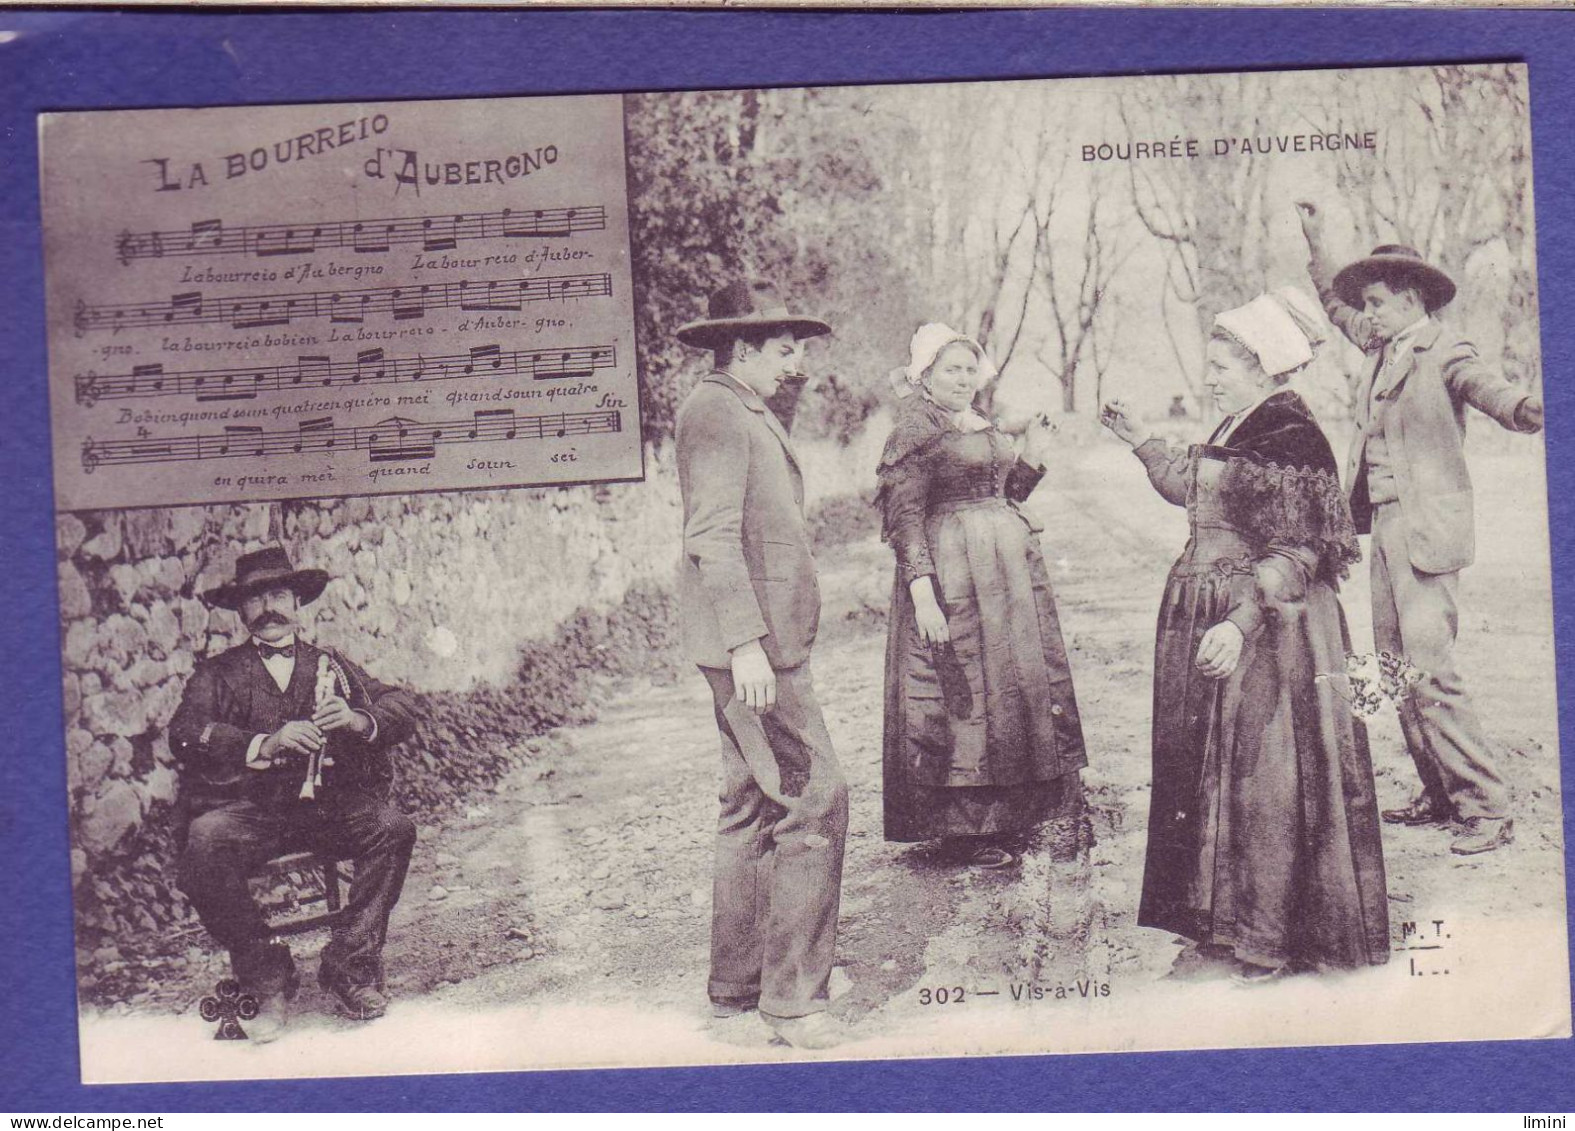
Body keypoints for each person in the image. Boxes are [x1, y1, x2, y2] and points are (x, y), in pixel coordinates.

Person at [1101, 287, 1389, 980]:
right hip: (1223, 615)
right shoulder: (1238, 420)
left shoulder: (1289, 432)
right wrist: (1138, 436)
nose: (1208, 373)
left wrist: (1237, 619)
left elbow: (1299, 552)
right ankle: (1223, 925)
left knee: (1265, 782)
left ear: (1260, 365)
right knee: (1212, 776)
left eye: (1221, 362)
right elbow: (1198, 493)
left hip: (1270, 628)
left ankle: (1270, 938)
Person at [1296, 201, 1545, 855]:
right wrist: (1317, 237)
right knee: (1392, 669)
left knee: (1429, 668)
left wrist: (1524, 408)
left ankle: (1486, 807)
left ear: (1408, 300)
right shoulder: (1380, 347)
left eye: (1374, 302)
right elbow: (1332, 302)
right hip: (1382, 529)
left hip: (1425, 533)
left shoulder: (1442, 348)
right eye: (1364, 305)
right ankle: (1439, 793)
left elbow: (1486, 387)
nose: (1365, 314)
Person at [673, 279, 849, 1050]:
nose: (795, 365)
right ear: (740, 347)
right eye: (784, 350)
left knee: (747, 803)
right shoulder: (715, 409)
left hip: (757, 644)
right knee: (814, 798)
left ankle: (737, 983)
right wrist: (746, 642)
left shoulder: (737, 407)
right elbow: (709, 534)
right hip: (754, 652)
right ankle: (792, 1001)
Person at [169, 545, 419, 1040]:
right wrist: (263, 742)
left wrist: (355, 718)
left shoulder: (332, 664)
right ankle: (265, 972)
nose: (269, 609)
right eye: (255, 599)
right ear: (240, 612)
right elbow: (183, 733)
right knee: (204, 842)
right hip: (251, 813)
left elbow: (401, 707)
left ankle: (350, 967)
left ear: (298, 603)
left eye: (279, 594)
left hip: (328, 809)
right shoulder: (216, 675)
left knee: (393, 828)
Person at [875, 324, 1086, 868]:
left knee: (1007, 691)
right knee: (960, 691)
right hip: (952, 576)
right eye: (951, 369)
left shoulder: (974, 422)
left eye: (970, 369)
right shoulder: (914, 429)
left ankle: (1007, 816)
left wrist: (1034, 456)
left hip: (1003, 580)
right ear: (925, 375)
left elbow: (1005, 494)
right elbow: (904, 517)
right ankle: (963, 829)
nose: (963, 379)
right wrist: (923, 592)